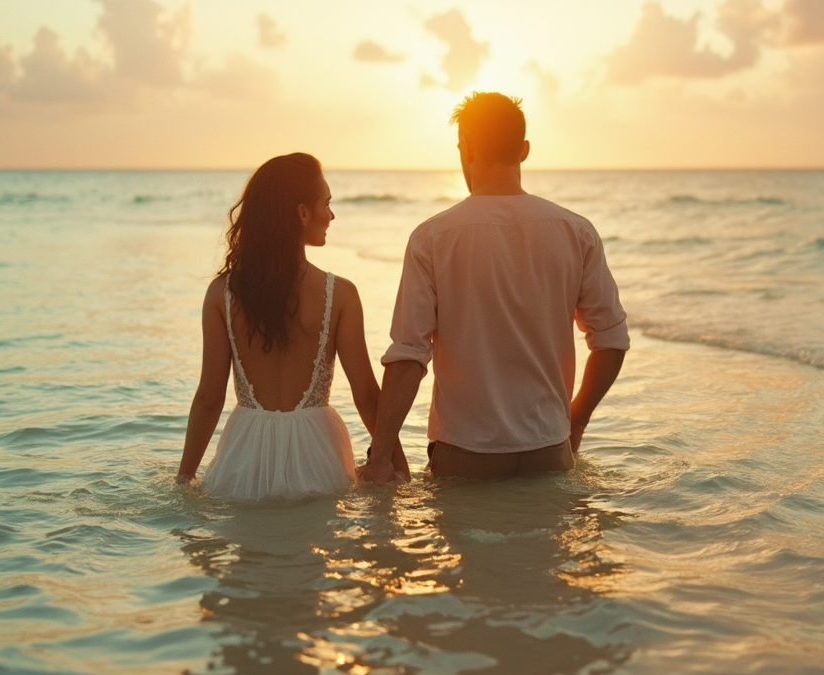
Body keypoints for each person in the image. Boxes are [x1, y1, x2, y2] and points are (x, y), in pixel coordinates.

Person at [360, 93, 628, 483]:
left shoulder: (432, 238)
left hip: (465, 451)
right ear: (524, 150)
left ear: (464, 147)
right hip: (549, 449)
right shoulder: (576, 231)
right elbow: (611, 340)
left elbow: (409, 356)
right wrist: (576, 420)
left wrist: (381, 456)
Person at [176, 153, 407, 500]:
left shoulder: (221, 294)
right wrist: (396, 466)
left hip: (246, 450)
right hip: (317, 450)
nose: (331, 215)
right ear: (302, 213)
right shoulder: (340, 294)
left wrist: (184, 477)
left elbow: (210, 397)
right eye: (326, 204)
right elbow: (367, 396)